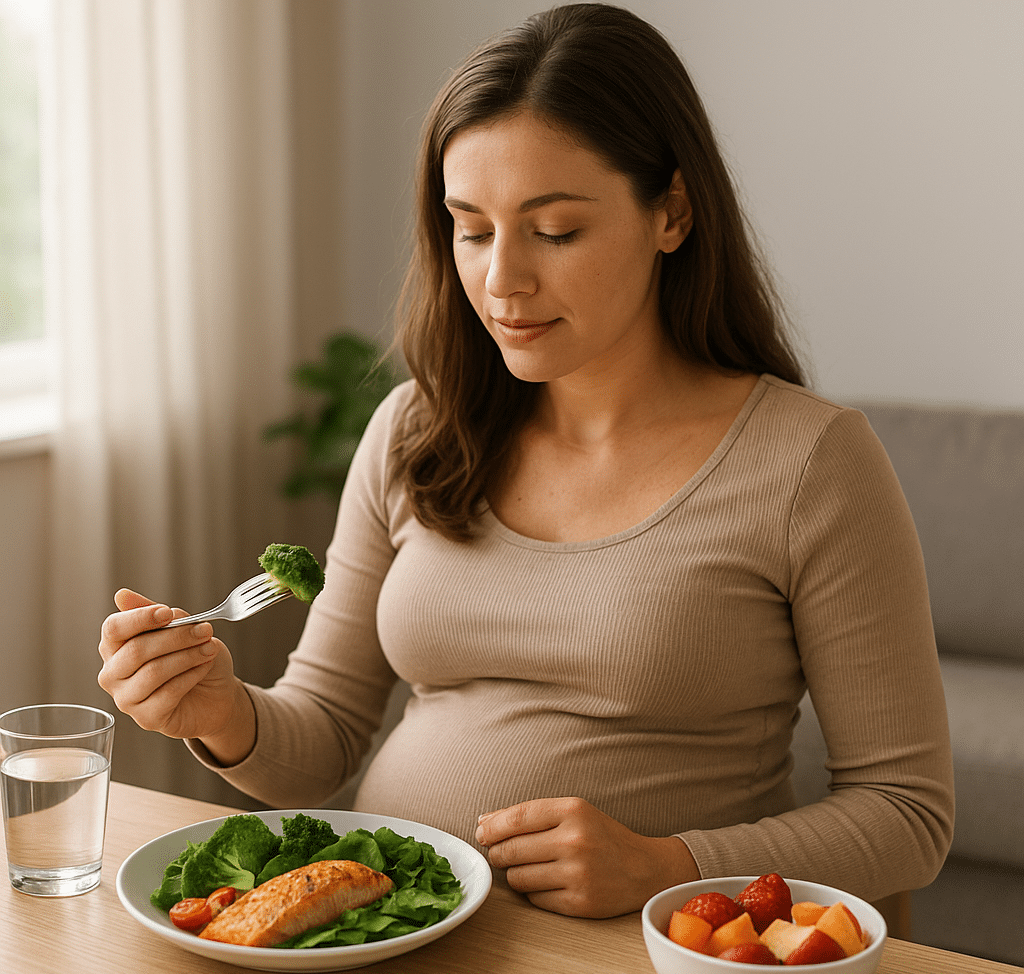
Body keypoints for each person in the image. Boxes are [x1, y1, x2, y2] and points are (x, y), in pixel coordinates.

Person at [98, 3, 954, 919]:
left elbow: (908, 815)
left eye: (554, 231)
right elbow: (327, 732)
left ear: (670, 212)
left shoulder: (811, 462)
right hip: (395, 943)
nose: (502, 280)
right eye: (471, 228)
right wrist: (221, 712)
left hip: (640, 962)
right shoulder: (415, 431)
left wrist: (665, 864)